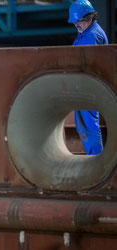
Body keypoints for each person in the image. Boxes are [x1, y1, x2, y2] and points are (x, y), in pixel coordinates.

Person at [68, 0, 108, 155]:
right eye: (74, 22)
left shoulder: (93, 35)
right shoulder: (84, 34)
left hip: (89, 87)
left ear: (88, 18)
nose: (76, 25)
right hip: (83, 86)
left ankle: (97, 162)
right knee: (84, 126)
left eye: (78, 21)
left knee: (89, 126)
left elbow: (88, 64)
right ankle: (95, 160)